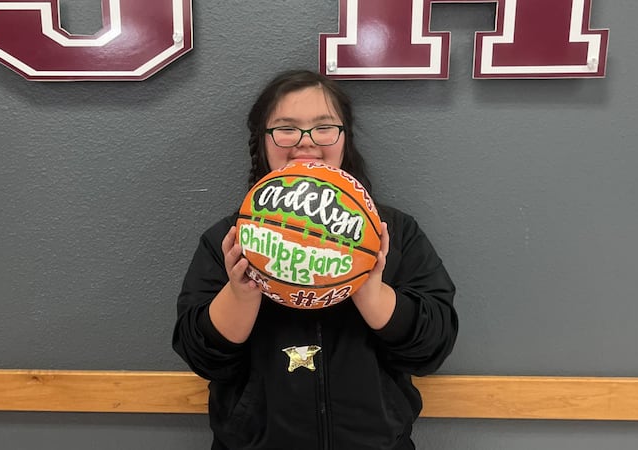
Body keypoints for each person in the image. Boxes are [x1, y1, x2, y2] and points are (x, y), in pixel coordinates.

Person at [173, 69, 458, 450]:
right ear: (262, 141)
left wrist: (369, 289)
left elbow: (432, 346)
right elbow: (201, 357)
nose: (305, 143)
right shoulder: (227, 240)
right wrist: (241, 295)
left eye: (324, 127)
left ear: (345, 138)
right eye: (285, 128)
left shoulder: (396, 231)